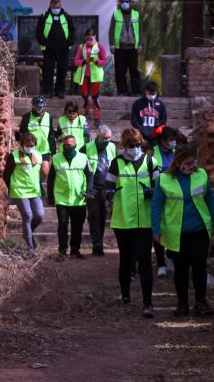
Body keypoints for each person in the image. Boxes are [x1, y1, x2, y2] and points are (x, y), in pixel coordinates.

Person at [151, 145, 214, 318]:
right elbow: (156, 205)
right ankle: (182, 304)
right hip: (177, 232)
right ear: (178, 163)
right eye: (187, 163)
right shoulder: (164, 179)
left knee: (199, 266)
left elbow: (209, 197)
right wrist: (156, 229)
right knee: (181, 269)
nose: (191, 166)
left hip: (199, 230)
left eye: (193, 162)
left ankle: (201, 302)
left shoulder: (201, 175)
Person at [105, 128, 159, 318]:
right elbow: (108, 186)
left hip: (144, 220)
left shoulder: (151, 162)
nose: (134, 148)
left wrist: (152, 192)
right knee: (126, 260)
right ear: (124, 146)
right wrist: (109, 194)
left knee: (144, 260)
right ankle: (126, 298)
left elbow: (159, 187)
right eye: (130, 146)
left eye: (137, 145)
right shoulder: (116, 163)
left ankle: (147, 303)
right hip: (123, 220)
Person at [47, 135, 94, 259]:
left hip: (79, 199)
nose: (67, 147)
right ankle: (62, 250)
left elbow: (90, 175)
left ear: (75, 146)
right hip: (62, 198)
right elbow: (51, 178)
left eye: (69, 145)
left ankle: (75, 249)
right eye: (65, 145)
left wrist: (89, 190)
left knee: (77, 225)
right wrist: (50, 195)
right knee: (62, 224)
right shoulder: (56, 158)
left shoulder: (83, 158)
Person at [2, 133, 45, 251]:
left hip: (34, 191)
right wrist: (12, 188)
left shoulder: (38, 156)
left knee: (39, 215)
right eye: (27, 145)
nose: (30, 147)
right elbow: (6, 175)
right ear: (22, 144)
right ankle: (30, 247)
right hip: (20, 191)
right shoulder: (14, 156)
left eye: (32, 145)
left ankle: (28, 232)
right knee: (28, 215)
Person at [80, 125, 116, 256]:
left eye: (109, 138)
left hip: (106, 186)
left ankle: (99, 239)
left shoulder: (112, 147)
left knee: (102, 214)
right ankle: (97, 243)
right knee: (94, 214)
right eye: (104, 138)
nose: (107, 140)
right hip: (92, 186)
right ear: (98, 137)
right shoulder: (87, 148)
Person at [150, 125, 179, 276]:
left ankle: (171, 256)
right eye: (170, 140)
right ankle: (161, 262)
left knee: (174, 228)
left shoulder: (176, 152)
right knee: (158, 229)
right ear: (162, 141)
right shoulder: (153, 153)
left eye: (175, 140)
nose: (173, 143)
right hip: (158, 195)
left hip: (175, 197)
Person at [36, 0, 75, 98]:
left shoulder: (66, 17)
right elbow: (39, 31)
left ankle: (60, 91)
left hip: (64, 49)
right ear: (50, 6)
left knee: (62, 70)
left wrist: (70, 41)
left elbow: (72, 30)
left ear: (61, 6)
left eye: (58, 7)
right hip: (49, 50)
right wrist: (44, 42)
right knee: (48, 71)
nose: (56, 9)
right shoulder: (44, 16)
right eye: (54, 7)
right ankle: (47, 92)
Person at [109, 0, 142, 96]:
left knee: (134, 71)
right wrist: (111, 45)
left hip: (133, 48)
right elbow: (111, 30)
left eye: (127, 1)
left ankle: (136, 92)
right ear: (120, 3)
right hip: (120, 48)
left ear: (131, 3)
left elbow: (140, 30)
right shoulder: (115, 14)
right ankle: (122, 91)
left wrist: (140, 44)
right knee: (120, 71)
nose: (125, 3)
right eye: (123, 1)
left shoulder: (136, 14)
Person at [73, 28, 107, 126]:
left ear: (95, 37)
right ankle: (86, 112)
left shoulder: (100, 47)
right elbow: (76, 61)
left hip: (96, 76)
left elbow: (104, 61)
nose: (89, 40)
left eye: (91, 38)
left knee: (95, 97)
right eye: (87, 38)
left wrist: (97, 61)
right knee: (85, 95)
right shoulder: (81, 47)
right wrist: (84, 61)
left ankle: (97, 117)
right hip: (84, 75)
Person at [18, 95, 55, 176]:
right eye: (35, 106)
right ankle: (36, 186)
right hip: (31, 149)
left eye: (40, 107)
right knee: (32, 171)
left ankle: (38, 185)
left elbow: (51, 134)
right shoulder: (27, 117)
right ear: (32, 106)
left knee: (45, 172)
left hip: (45, 149)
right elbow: (22, 133)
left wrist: (53, 151)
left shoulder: (48, 117)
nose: (37, 109)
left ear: (43, 106)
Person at [131, 81, 167, 145]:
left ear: (156, 92)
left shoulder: (161, 104)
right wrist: (141, 131)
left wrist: (156, 131)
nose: (152, 96)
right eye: (150, 93)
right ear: (146, 91)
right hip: (141, 135)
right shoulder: (137, 103)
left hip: (155, 136)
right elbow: (134, 120)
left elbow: (163, 120)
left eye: (154, 94)